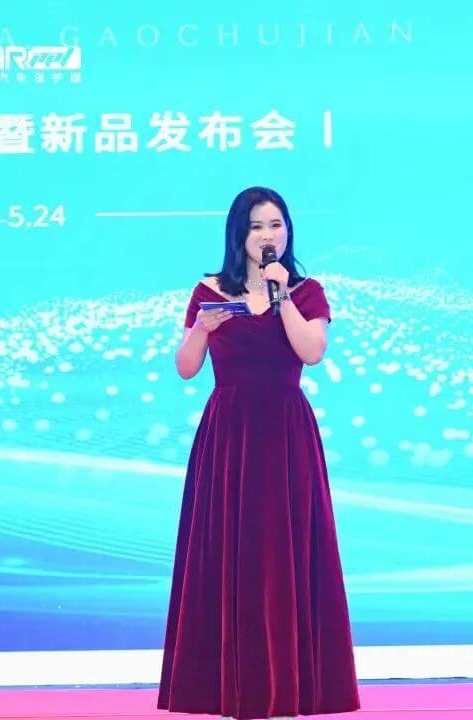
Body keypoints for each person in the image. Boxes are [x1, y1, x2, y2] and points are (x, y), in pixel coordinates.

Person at [157, 187, 361, 720]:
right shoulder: (208, 291)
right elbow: (186, 368)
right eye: (256, 227)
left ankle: (292, 689)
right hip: (228, 439)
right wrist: (201, 328)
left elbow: (311, 352)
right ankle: (227, 688)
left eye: (276, 225)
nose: (268, 235)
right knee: (230, 554)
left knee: (284, 555)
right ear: (238, 234)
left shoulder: (306, 291)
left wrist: (282, 296)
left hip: (286, 437)